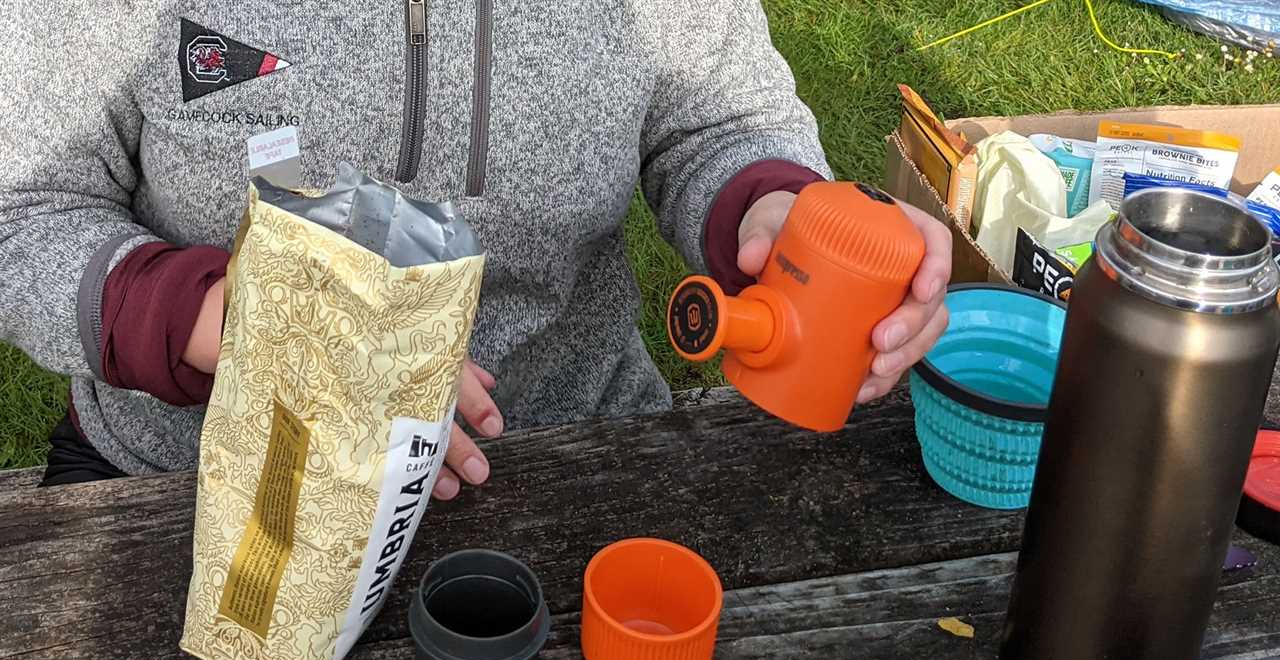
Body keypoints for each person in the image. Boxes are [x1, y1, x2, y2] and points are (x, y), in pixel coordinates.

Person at [0, 2, 950, 493]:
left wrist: (772, 207)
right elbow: (24, 208)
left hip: (574, 455)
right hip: (197, 485)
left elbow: (716, 115)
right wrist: (238, 323)